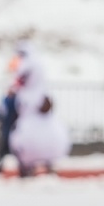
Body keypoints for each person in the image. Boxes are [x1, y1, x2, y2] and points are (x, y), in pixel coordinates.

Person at [7, 42, 70, 176]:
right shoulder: (36, 67)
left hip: (29, 119)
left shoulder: (29, 65)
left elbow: (19, 78)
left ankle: (29, 167)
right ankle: (40, 165)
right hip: (31, 117)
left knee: (23, 140)